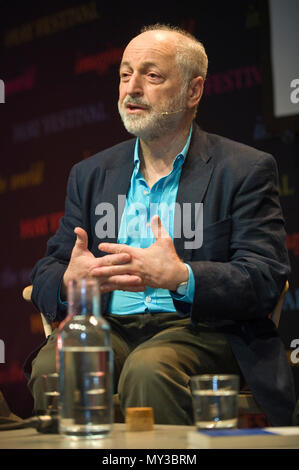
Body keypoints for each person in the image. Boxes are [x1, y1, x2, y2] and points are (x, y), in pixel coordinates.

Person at [28, 24, 295, 426]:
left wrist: (182, 276)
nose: (131, 88)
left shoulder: (243, 170)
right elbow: (47, 269)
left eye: (151, 76)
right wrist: (70, 280)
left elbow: (265, 277)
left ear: (193, 90)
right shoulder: (91, 173)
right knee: (56, 364)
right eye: (124, 74)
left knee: (150, 368)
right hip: (111, 325)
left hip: (201, 329)